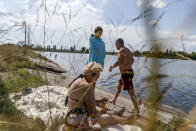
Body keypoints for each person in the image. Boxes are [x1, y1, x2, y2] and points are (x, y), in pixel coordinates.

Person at [64, 62, 134, 131]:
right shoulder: (87, 86)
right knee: (108, 117)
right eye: (97, 76)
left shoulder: (78, 79)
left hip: (72, 113)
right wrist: (100, 113)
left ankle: (116, 114)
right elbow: (92, 113)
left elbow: (84, 100)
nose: (97, 79)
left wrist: (100, 101)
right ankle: (127, 120)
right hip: (80, 120)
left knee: (100, 109)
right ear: (90, 75)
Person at [109, 38, 139, 118]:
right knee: (119, 86)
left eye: (116, 44)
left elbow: (118, 62)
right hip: (128, 72)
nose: (116, 46)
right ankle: (114, 100)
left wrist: (112, 67)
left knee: (130, 92)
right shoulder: (128, 50)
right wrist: (128, 66)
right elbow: (132, 60)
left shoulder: (121, 50)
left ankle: (136, 110)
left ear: (120, 43)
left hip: (126, 74)